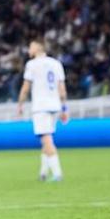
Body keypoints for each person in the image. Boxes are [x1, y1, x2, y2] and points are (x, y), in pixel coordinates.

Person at [17, 39, 68, 181]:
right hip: (55, 105)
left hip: (41, 107)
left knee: (47, 140)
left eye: (30, 47)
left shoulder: (32, 65)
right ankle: (43, 173)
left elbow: (26, 87)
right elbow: (62, 89)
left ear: (38, 48)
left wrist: (20, 104)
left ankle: (57, 173)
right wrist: (64, 108)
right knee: (45, 140)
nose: (28, 50)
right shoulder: (56, 63)